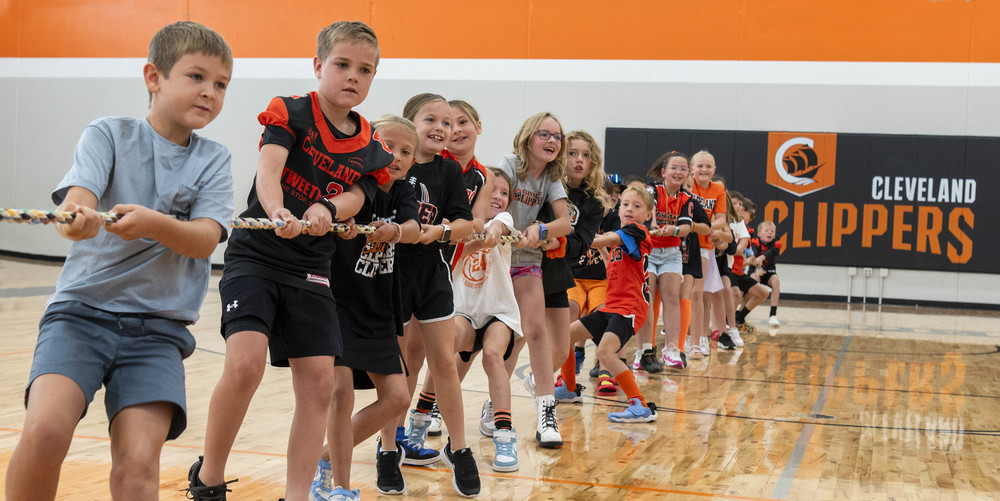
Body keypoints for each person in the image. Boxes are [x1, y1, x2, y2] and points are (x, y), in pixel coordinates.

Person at [4, 21, 234, 501]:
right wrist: (76, 220)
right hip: (79, 318)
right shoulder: (108, 134)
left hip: (158, 333)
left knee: (137, 466)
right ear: (154, 77)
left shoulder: (214, 159)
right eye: (196, 77)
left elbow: (204, 240)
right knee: (45, 432)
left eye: (221, 84)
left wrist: (152, 223)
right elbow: (75, 205)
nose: (210, 92)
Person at [187, 21, 394, 501]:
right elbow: (269, 170)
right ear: (319, 65)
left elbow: (359, 195)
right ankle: (210, 476)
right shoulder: (291, 113)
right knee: (245, 367)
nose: (352, 77)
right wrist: (278, 209)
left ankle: (296, 495)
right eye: (342, 65)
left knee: (320, 384)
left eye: (365, 70)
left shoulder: (371, 146)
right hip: (257, 255)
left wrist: (328, 208)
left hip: (311, 267)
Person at [308, 115, 422, 500]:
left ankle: (324, 456)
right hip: (336, 303)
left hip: (377, 307)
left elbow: (413, 227)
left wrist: (395, 231)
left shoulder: (406, 190)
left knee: (398, 397)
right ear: (370, 145)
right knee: (340, 393)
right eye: (389, 146)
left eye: (407, 151)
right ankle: (340, 487)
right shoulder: (352, 181)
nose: (398, 156)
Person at [392, 93, 480, 496]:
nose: (442, 129)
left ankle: (458, 448)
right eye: (432, 119)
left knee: (442, 361)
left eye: (448, 123)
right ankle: (389, 448)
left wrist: (441, 231)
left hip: (432, 272)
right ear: (411, 122)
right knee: (398, 365)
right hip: (390, 273)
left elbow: (465, 223)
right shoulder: (395, 164)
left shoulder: (448, 171)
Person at [497, 112, 573, 448]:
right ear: (529, 137)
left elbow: (566, 222)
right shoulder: (510, 166)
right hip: (495, 257)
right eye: (545, 134)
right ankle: (438, 404)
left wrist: (541, 230)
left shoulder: (551, 177)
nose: (552, 141)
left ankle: (546, 412)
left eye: (557, 136)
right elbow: (492, 203)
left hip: (527, 259)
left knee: (536, 330)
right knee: (478, 341)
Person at [419, 98, 494, 438]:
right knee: (415, 350)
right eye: (452, 122)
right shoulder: (434, 162)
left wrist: (456, 228)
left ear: (478, 127)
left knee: (443, 351)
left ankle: (427, 413)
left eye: (465, 122)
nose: (457, 129)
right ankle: (400, 428)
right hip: (419, 260)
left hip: (450, 266)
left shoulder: (482, 175)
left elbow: (476, 221)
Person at [447, 168, 524, 471]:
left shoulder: (504, 220)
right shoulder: (458, 223)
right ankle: (427, 412)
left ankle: (504, 436)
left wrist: (489, 234)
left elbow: (496, 231)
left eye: (504, 193)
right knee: (445, 351)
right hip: (464, 310)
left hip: (498, 313)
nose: (497, 197)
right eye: (492, 191)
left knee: (492, 355)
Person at [561, 186, 658, 422]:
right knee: (563, 338)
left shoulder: (637, 231)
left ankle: (640, 406)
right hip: (610, 307)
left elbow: (598, 241)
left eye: (637, 206)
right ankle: (569, 389)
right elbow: (610, 261)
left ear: (648, 215)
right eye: (625, 204)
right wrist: (603, 248)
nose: (629, 209)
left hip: (629, 309)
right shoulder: (621, 238)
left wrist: (571, 234)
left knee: (605, 353)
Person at [633, 152, 694, 372]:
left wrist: (674, 229)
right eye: (674, 168)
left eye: (683, 169)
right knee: (646, 300)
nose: (679, 172)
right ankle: (642, 351)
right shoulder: (652, 190)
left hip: (671, 252)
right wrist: (654, 221)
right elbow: (645, 202)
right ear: (663, 172)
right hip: (649, 249)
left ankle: (672, 350)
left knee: (671, 297)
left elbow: (687, 227)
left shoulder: (686, 199)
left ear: (688, 174)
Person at [688, 150, 729, 359]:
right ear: (692, 169)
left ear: (714, 170)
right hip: (681, 243)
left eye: (708, 166)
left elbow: (721, 218)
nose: (704, 169)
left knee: (699, 293)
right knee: (682, 295)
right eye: (700, 166)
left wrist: (706, 227)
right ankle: (685, 338)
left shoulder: (718, 189)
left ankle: (699, 339)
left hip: (703, 245)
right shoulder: (687, 184)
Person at [749, 220, 783, 328]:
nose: (770, 233)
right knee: (754, 280)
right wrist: (754, 259)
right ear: (759, 234)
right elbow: (753, 254)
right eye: (767, 230)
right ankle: (741, 313)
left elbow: (772, 252)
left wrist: (761, 258)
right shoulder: (754, 241)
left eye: (772, 231)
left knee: (776, 281)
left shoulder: (777, 243)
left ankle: (773, 315)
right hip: (756, 270)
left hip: (769, 271)